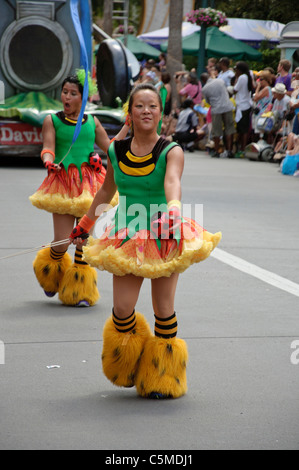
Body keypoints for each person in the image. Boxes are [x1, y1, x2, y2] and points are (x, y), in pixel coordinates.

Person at [69, 83, 221, 399]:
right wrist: (84, 224)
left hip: (164, 233)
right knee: (122, 309)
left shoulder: (172, 150)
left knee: (162, 307)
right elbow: (106, 192)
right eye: (140, 106)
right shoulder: (115, 150)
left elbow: (172, 182)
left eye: (152, 106)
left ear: (160, 113)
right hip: (125, 236)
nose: (146, 111)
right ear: (130, 112)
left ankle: (164, 376)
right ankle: (130, 363)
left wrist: (175, 212)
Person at [29, 73, 127, 307]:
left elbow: (111, 148)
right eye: (65, 92)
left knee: (83, 240)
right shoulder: (52, 120)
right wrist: (48, 161)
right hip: (63, 185)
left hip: (91, 186)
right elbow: (48, 147)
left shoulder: (92, 122)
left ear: (83, 99)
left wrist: (126, 127)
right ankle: (50, 275)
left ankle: (80, 290)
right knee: (62, 243)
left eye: (73, 93)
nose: (67, 97)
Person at [200, 72, 235, 158]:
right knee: (229, 129)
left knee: (217, 131)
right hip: (227, 106)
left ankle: (217, 151)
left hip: (216, 109)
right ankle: (229, 150)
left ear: (203, 80)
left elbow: (208, 102)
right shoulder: (220, 81)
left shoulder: (205, 89)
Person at [233, 61, 253, 157]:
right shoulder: (248, 76)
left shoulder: (241, 77)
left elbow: (235, 89)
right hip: (247, 105)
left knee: (242, 130)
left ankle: (242, 148)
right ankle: (242, 148)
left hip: (242, 105)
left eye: (236, 69)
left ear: (239, 70)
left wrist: (236, 78)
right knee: (244, 129)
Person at [252, 70, 273, 136]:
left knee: (259, 134)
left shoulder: (266, 89)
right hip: (262, 112)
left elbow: (255, 98)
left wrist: (258, 87)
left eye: (261, 79)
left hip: (262, 113)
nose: (259, 81)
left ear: (266, 79)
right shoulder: (267, 89)